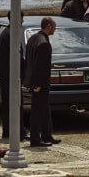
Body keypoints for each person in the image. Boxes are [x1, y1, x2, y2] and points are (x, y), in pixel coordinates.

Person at [24, 16, 59, 147]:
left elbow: (29, 61)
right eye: (54, 26)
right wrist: (38, 84)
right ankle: (35, 139)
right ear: (48, 26)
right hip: (40, 83)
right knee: (38, 111)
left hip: (34, 80)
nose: (55, 29)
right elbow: (41, 66)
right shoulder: (43, 43)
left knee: (44, 109)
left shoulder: (33, 38)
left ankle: (47, 135)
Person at [0, 11, 26, 141]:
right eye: (21, 18)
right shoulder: (10, 34)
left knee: (11, 103)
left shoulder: (9, 33)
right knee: (14, 103)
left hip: (9, 74)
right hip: (10, 75)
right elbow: (16, 56)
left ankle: (13, 131)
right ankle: (15, 131)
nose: (22, 21)